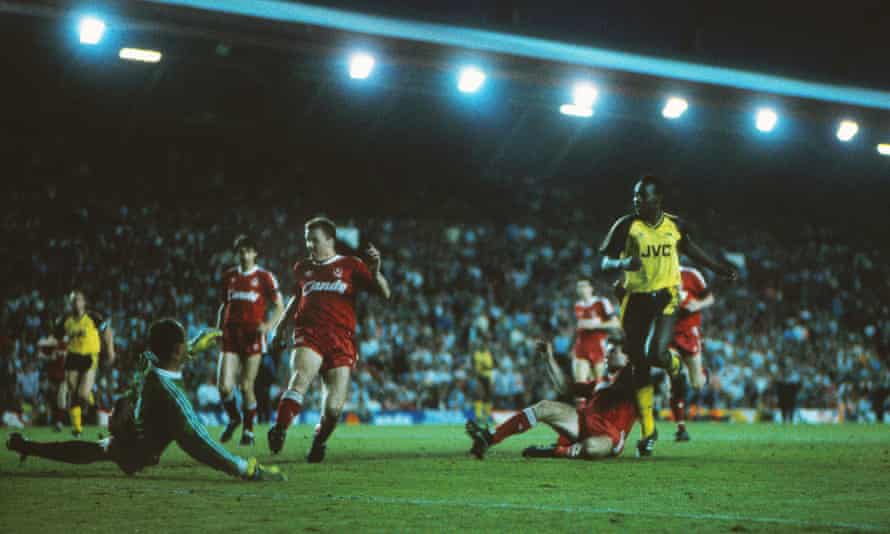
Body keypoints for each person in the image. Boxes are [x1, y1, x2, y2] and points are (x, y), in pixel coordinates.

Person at [6, 319, 284, 481]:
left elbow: (172, 354)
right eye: (184, 343)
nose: (187, 347)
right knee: (107, 450)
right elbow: (200, 441)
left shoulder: (152, 362)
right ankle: (30, 446)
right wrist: (246, 469)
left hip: (130, 426)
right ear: (176, 350)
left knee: (97, 449)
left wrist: (198, 345)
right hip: (137, 451)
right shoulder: (171, 395)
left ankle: (28, 446)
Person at [600, 176, 738, 456]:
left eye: (643, 196)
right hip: (634, 298)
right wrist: (624, 262)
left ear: (658, 199)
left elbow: (690, 248)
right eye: (635, 195)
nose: (637, 200)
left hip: (665, 296)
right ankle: (649, 430)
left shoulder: (675, 224)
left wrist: (719, 269)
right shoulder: (626, 225)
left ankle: (674, 364)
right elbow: (603, 261)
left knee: (654, 354)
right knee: (639, 361)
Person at [268, 216, 391, 462]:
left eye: (314, 240)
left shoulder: (351, 265)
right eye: (307, 240)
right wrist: (280, 327)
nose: (310, 245)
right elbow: (297, 297)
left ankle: (319, 441)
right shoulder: (303, 268)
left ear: (330, 240)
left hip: (341, 339)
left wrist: (375, 271)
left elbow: (385, 292)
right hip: (309, 334)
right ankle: (280, 428)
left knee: (334, 408)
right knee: (300, 378)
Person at [465, 340, 636, 460]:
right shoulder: (599, 383)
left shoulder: (633, 380)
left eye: (613, 351)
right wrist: (549, 359)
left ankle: (557, 451)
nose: (607, 354)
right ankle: (489, 438)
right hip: (583, 423)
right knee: (544, 407)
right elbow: (565, 387)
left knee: (591, 447)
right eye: (608, 350)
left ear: (628, 358)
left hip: (608, 436)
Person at [216, 234, 285, 446]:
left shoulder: (265, 277)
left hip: (253, 338)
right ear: (237, 254)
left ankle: (248, 432)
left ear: (255, 253)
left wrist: (268, 326)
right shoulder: (229, 277)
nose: (245, 255)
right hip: (230, 336)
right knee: (225, 387)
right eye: (241, 251)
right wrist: (217, 330)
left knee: (246, 386)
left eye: (248, 251)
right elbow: (223, 305)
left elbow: (280, 307)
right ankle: (234, 418)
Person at [53, 290, 116, 437]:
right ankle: (77, 429)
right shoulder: (65, 320)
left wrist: (111, 351)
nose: (76, 303)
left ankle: (90, 398)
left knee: (82, 394)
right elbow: (57, 336)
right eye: (74, 300)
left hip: (89, 356)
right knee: (73, 392)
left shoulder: (93, 317)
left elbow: (107, 332)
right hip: (72, 357)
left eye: (79, 300)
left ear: (84, 302)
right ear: (70, 303)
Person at [670, 266, 715, 441]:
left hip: (689, 331)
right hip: (667, 333)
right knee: (673, 380)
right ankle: (680, 427)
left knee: (697, 384)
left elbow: (710, 298)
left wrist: (698, 304)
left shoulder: (691, 274)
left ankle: (703, 374)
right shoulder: (656, 272)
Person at [571, 280, 620, 392]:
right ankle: (582, 407)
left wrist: (595, 325)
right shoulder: (577, 306)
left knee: (599, 382)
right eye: (578, 287)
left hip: (598, 345)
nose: (581, 289)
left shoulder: (602, 302)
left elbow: (616, 323)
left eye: (584, 286)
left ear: (591, 288)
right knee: (580, 383)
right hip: (581, 346)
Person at [472, 339, 495, 421]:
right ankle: (478, 416)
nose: (484, 346)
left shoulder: (488, 353)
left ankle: (487, 415)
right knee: (479, 394)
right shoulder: (476, 354)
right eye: (482, 344)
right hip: (479, 376)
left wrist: (484, 366)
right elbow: (475, 364)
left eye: (485, 344)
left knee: (488, 395)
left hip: (488, 376)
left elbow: (490, 366)